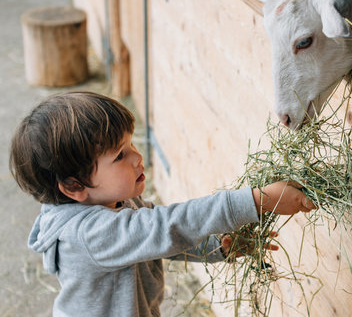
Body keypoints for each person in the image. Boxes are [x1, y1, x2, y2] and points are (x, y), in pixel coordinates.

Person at [9, 91, 316, 317]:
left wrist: (217, 247)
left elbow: (157, 239)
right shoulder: (88, 234)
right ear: (74, 186)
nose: (137, 156)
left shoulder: (115, 201)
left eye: (131, 144)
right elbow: (166, 226)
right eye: (120, 156)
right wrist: (259, 200)